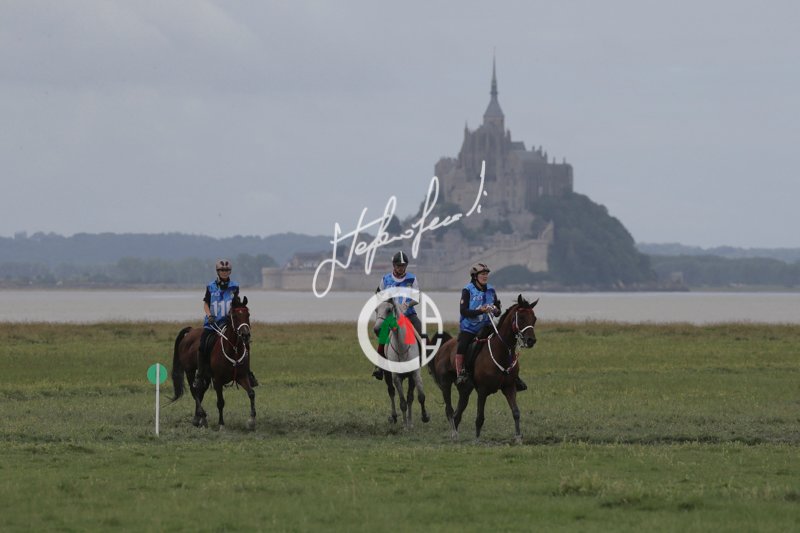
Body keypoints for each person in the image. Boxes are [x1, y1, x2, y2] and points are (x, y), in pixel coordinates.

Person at [456, 262, 527, 391]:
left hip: (487, 325)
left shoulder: (491, 290)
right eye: (482, 274)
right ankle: (461, 373)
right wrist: (480, 311)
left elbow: (498, 311)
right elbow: (463, 311)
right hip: (469, 328)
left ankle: (514, 376)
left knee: (505, 343)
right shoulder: (467, 290)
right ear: (475, 276)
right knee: (463, 345)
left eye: (486, 274)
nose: (485, 276)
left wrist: (495, 310)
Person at [193, 259, 259, 390]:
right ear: (217, 271)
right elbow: (206, 303)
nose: (224, 272)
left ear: (230, 271)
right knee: (203, 345)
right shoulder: (210, 286)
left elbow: (236, 303)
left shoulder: (234, 286)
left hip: (228, 323)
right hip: (212, 324)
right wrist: (209, 315)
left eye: (227, 270)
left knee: (245, 343)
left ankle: (248, 373)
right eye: (222, 270)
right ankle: (200, 376)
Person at [372, 251, 423, 380]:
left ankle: (425, 362)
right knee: (383, 338)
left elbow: (417, 298)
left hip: (409, 314)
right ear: (394, 266)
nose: (401, 268)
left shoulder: (412, 279)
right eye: (399, 265)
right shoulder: (386, 279)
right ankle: (379, 367)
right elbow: (379, 297)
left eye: (403, 265)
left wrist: (407, 304)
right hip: (391, 316)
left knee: (422, 333)